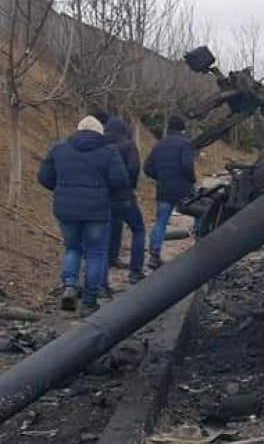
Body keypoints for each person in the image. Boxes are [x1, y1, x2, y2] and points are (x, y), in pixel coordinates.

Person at [36, 115, 130, 312]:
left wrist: (63, 188)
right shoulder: (108, 151)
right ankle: (89, 301)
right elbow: (120, 180)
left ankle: (69, 285)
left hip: (66, 208)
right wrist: (106, 193)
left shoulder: (59, 148)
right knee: (95, 253)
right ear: (99, 132)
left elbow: (44, 177)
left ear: (78, 130)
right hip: (97, 210)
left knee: (72, 248)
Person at [143, 115, 196, 269]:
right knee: (198, 213)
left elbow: (147, 168)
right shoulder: (185, 144)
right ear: (182, 129)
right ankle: (200, 246)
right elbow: (187, 166)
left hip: (164, 188)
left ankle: (154, 255)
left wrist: (160, 177)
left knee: (161, 222)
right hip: (183, 189)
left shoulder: (159, 145)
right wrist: (192, 180)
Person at [103, 115, 146, 285]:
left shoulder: (101, 146)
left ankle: (110, 260)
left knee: (113, 228)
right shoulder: (128, 146)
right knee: (138, 229)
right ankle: (135, 270)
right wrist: (131, 185)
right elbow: (134, 168)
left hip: (106, 196)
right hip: (125, 195)